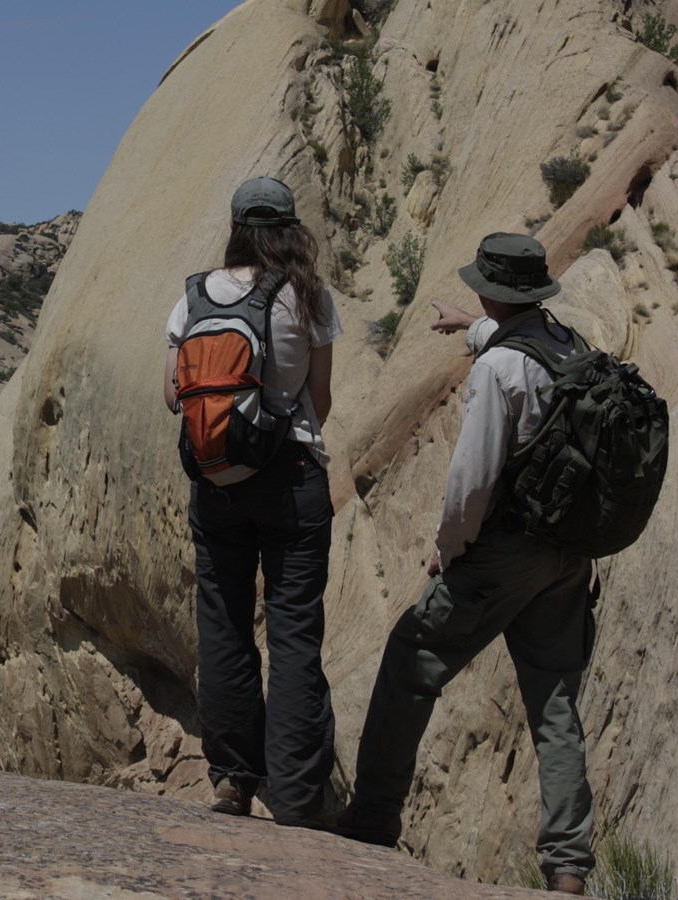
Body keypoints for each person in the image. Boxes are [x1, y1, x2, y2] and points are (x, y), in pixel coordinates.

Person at [332, 233, 596, 895]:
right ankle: (567, 865)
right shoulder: (570, 347)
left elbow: (472, 481)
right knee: (555, 703)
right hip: (567, 554)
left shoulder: (496, 371)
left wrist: (448, 549)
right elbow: (519, 348)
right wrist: (471, 326)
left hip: (501, 555)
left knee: (409, 660)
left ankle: (371, 820)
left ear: (492, 290)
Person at [163, 176, 342, 828]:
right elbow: (320, 403)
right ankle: (296, 799)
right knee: (294, 634)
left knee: (224, 625)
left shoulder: (194, 296)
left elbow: (171, 395)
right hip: (290, 478)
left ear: (236, 226)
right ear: (290, 227)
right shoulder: (306, 297)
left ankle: (234, 780)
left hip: (215, 483)